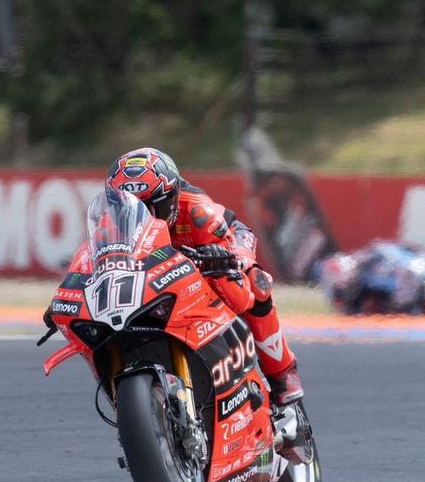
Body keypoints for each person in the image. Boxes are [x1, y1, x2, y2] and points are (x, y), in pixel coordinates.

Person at [104, 147, 304, 407]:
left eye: (154, 206)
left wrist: (221, 260)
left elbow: (240, 295)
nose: (144, 217)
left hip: (224, 241)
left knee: (255, 283)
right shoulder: (109, 225)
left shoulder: (199, 213)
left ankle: (282, 374)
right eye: (131, 208)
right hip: (165, 266)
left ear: (172, 197)